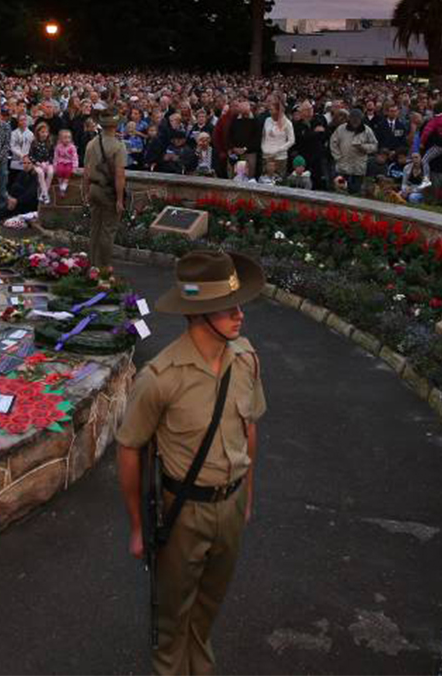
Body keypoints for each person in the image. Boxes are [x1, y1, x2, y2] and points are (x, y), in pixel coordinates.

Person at [117, 250, 266, 676]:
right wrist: (137, 527)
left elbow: (249, 429)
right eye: (228, 308)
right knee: (171, 617)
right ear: (199, 315)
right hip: (183, 513)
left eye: (238, 304)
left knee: (208, 608)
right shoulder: (161, 377)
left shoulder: (246, 359)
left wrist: (247, 497)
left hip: (231, 504)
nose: (240, 315)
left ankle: (199, 667)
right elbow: (129, 449)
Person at [83, 110, 127, 271]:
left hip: (94, 188)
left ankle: (92, 264)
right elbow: (119, 176)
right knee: (108, 230)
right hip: (108, 191)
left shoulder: (91, 144)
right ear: (115, 125)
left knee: (95, 228)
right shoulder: (118, 146)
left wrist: (86, 192)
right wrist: (120, 200)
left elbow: (86, 172)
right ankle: (104, 267)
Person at [329, 109, 378, 196]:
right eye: (353, 119)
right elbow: (333, 143)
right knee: (340, 190)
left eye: (357, 119)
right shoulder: (341, 129)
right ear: (349, 119)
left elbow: (374, 145)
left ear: (361, 119)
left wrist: (363, 147)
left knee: (355, 191)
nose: (355, 121)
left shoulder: (367, 130)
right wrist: (338, 157)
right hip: (343, 166)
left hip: (358, 167)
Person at [259, 100, 294, 180]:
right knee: (265, 180)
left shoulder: (287, 123)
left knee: (279, 181)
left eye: (272, 110)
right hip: (266, 155)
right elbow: (264, 136)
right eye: (270, 110)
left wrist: (278, 150)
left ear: (278, 111)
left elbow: (291, 140)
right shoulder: (267, 120)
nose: (270, 112)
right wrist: (263, 148)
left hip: (280, 157)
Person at [29, 121, 56, 205]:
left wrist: (48, 162)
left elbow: (52, 155)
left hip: (48, 163)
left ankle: (43, 194)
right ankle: (46, 195)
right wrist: (37, 162)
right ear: (38, 132)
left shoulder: (50, 142)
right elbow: (30, 155)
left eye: (46, 132)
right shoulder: (34, 143)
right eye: (42, 132)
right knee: (40, 173)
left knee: (51, 172)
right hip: (38, 164)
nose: (44, 134)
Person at [53, 128, 80, 203]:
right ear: (61, 139)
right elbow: (56, 156)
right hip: (61, 161)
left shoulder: (72, 147)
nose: (67, 139)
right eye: (65, 138)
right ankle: (60, 183)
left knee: (68, 170)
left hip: (69, 162)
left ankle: (64, 185)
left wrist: (75, 166)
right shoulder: (58, 147)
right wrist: (55, 164)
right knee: (59, 170)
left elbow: (75, 157)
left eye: (69, 137)